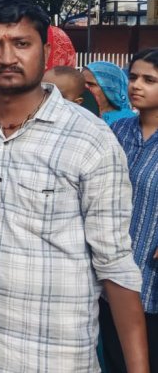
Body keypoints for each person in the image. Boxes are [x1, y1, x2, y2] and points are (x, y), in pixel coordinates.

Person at [0, 0, 148, 373]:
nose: (7, 58)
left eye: (21, 43)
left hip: (53, 356)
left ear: (46, 51)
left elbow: (115, 264)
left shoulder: (90, 140)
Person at [101, 47, 158, 373]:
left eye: (149, 80)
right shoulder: (117, 131)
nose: (136, 85)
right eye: (134, 77)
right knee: (114, 359)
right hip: (111, 275)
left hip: (152, 278)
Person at [84, 60, 137, 125]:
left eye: (91, 84)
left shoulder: (128, 121)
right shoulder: (75, 112)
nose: (84, 87)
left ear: (110, 89)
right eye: (82, 82)